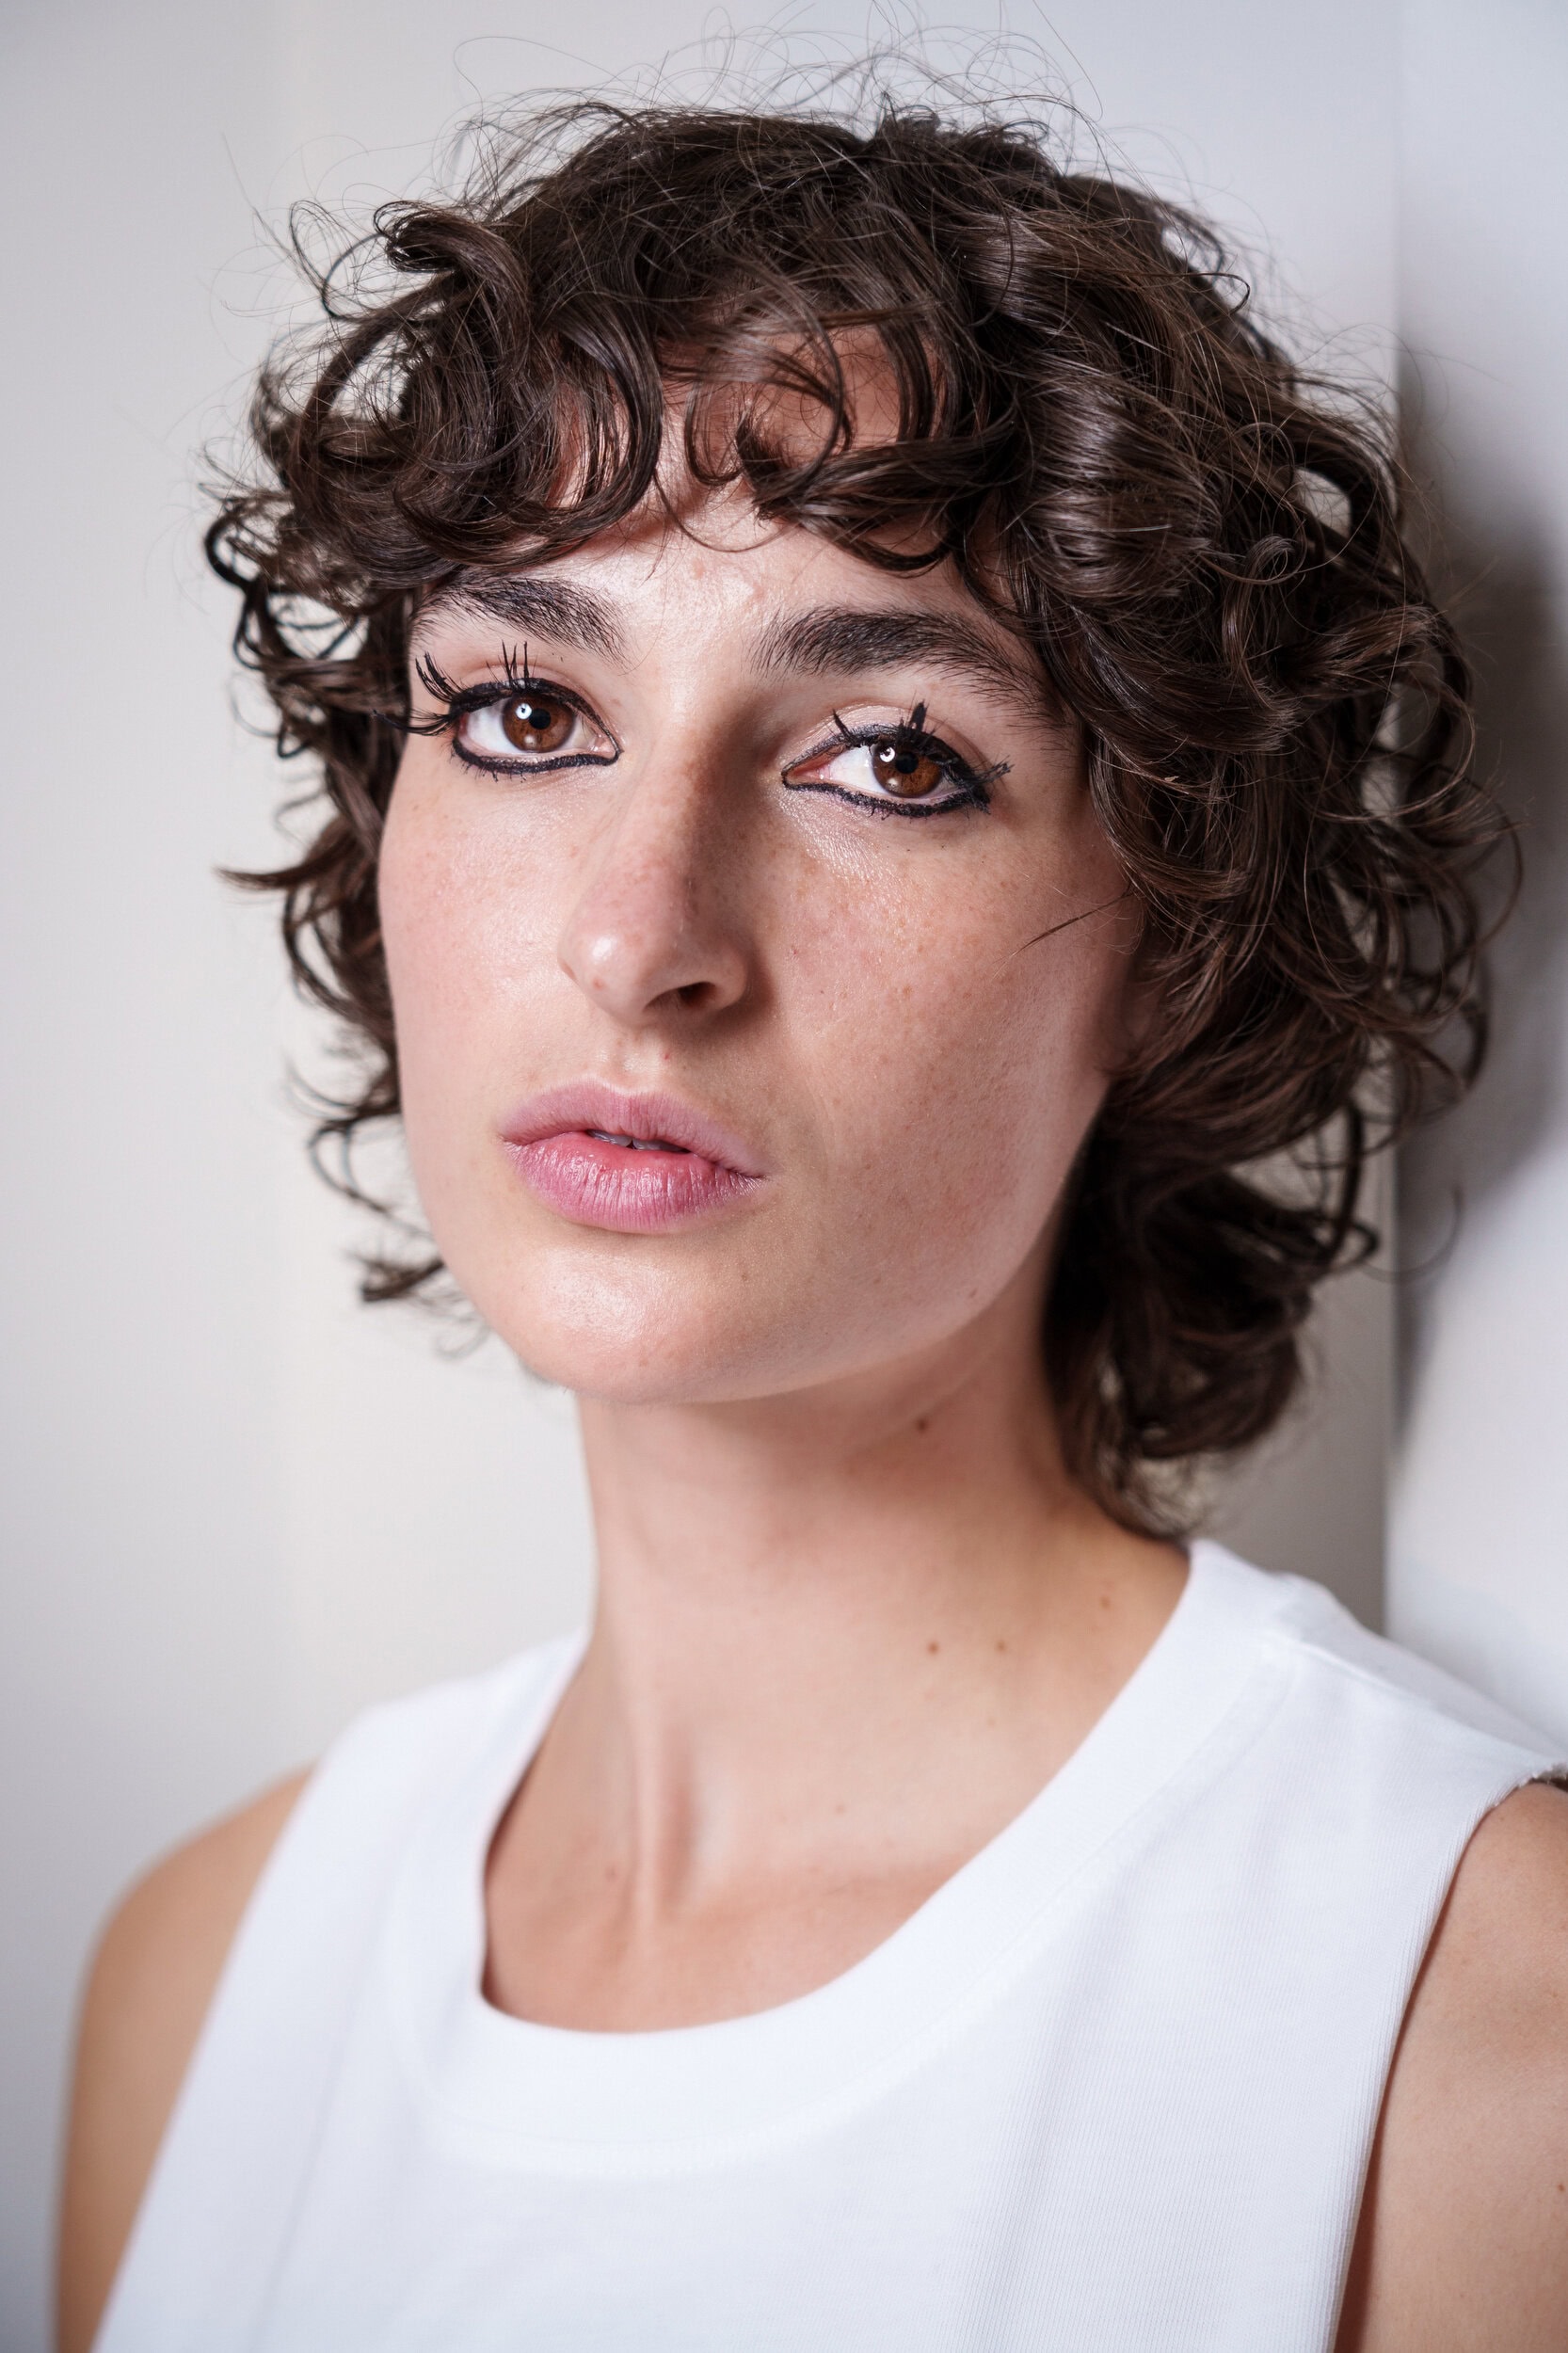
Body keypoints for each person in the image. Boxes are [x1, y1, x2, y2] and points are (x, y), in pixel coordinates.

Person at [56, 88, 1568, 2353]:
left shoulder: (1473, 2025)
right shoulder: (197, 1987)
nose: (638, 933)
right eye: (528, 709)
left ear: (1165, 946)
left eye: (886, 756)